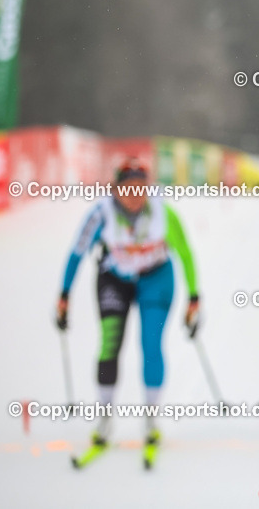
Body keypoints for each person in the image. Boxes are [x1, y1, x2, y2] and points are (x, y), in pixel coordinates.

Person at [55, 158, 200, 467]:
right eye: (128, 188)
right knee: (110, 344)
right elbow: (77, 252)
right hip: (115, 280)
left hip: (156, 281)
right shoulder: (100, 214)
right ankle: (105, 421)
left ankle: (150, 421)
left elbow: (185, 252)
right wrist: (64, 295)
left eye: (141, 188)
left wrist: (194, 297)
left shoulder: (163, 213)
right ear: (115, 189)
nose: (135, 195)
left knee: (150, 345)